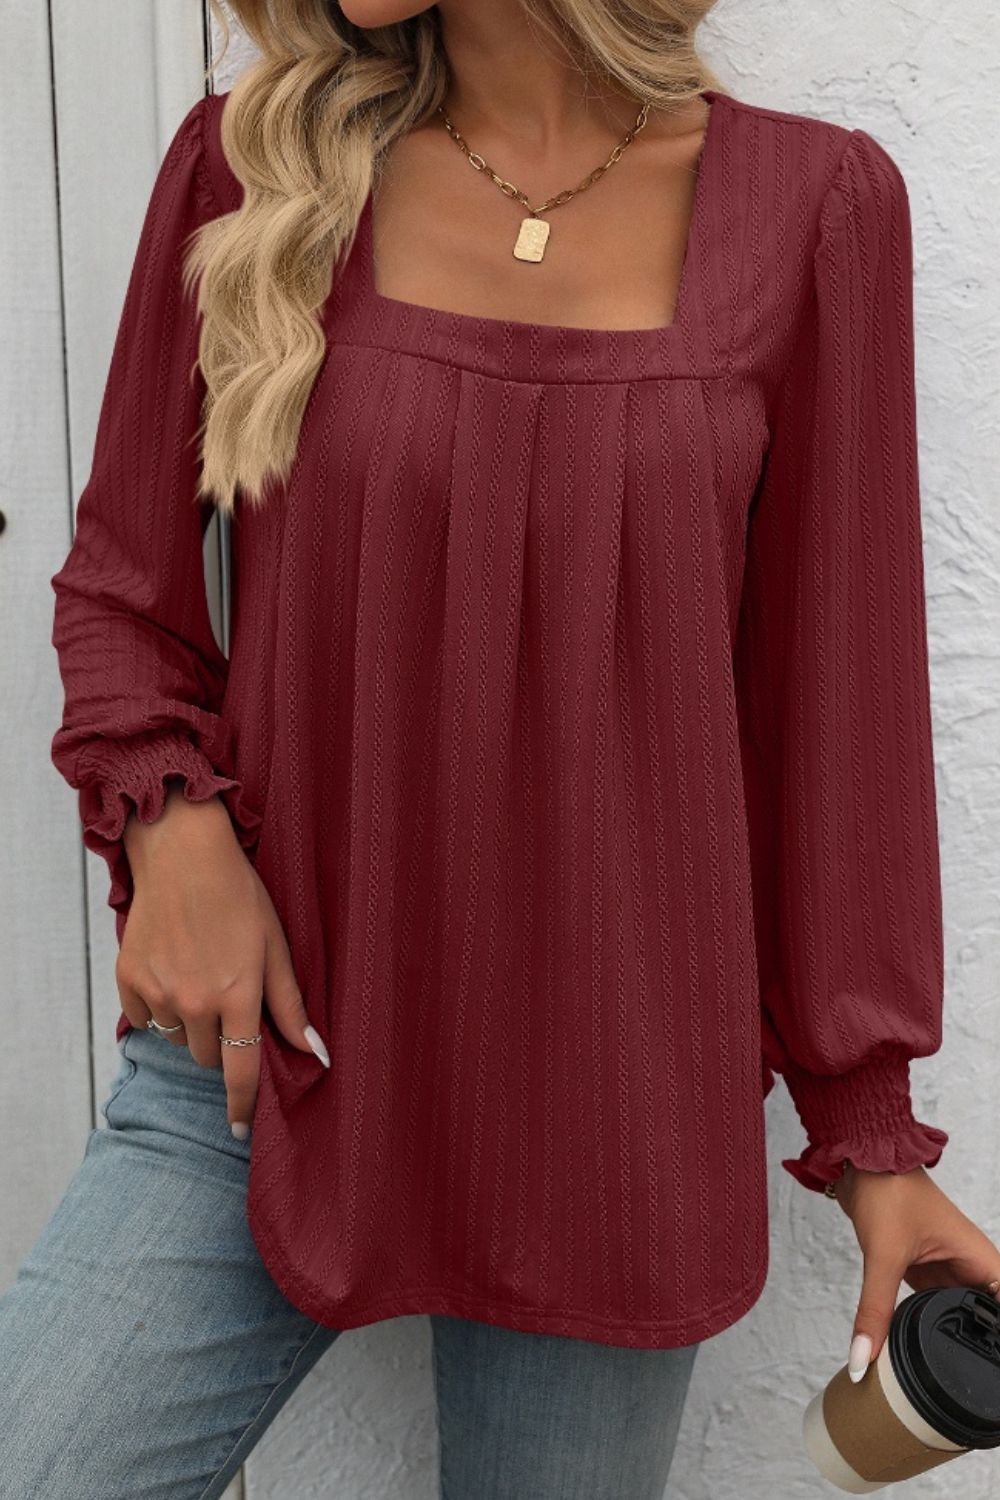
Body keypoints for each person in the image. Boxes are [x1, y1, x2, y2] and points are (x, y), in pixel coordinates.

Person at [2, 1, 997, 1496]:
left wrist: (873, 1136)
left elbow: (832, 720)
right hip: (268, 1061)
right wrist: (173, 826)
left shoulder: (815, 209)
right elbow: (122, 593)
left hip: (614, 1123)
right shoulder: (250, 171)